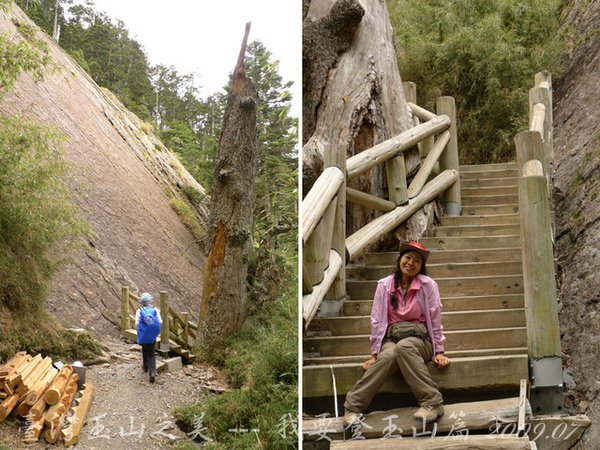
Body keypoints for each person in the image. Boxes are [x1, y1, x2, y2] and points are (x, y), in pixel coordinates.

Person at [343, 241, 450, 426]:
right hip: (391, 339)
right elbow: (377, 319)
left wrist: (439, 351)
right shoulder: (384, 285)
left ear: (421, 266)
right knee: (388, 355)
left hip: (420, 341)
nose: (411, 263)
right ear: (399, 259)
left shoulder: (428, 285)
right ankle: (352, 407)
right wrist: (374, 354)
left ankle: (432, 403)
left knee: (404, 347)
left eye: (417, 261)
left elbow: (435, 317)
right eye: (408, 257)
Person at [135, 292, 162, 383]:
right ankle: (152, 372)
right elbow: (160, 321)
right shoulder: (155, 309)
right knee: (151, 352)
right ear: (150, 301)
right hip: (152, 334)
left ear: (141, 302)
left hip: (143, 334)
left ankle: (145, 367)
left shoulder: (139, 311)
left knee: (144, 349)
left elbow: (137, 323)